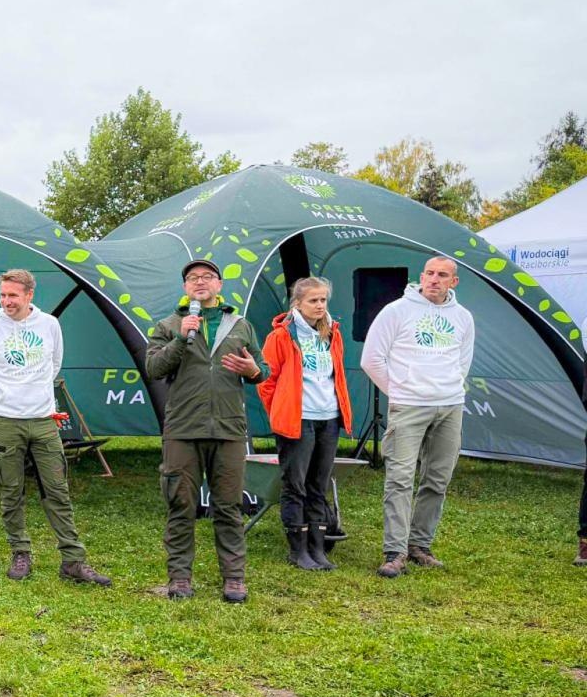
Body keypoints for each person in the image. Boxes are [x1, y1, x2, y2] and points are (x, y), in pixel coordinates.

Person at [0, 268, 108, 586]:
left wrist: (35, 396)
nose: (7, 301)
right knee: (11, 490)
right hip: (6, 422)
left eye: (13, 295)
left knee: (57, 491)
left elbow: (54, 364)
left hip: (45, 421)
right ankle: (20, 553)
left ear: (29, 295)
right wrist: (6, 399)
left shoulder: (49, 325)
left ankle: (73, 560)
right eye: (3, 295)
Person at [145, 258, 269, 603]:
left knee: (228, 506)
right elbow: (154, 367)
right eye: (193, 278)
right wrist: (181, 338)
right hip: (183, 428)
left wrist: (252, 370)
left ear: (219, 285)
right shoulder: (169, 325)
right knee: (180, 504)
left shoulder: (240, 325)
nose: (200, 282)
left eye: (207, 277)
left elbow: (263, 368)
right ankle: (180, 578)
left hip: (229, 429)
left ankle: (234, 578)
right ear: (186, 288)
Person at [361, 256, 475, 579]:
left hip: (450, 405)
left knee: (438, 478)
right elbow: (371, 359)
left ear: (454, 282)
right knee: (399, 477)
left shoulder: (463, 318)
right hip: (409, 405)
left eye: (442, 275)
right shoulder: (397, 311)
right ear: (421, 276)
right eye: (429, 273)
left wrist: (449, 390)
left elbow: (462, 361)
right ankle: (394, 552)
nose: (434, 279)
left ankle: (419, 546)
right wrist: (398, 391)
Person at [257, 277, 354, 572]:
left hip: (329, 418)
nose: (320, 306)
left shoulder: (332, 334)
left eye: (323, 300)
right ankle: (297, 550)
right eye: (313, 300)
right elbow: (266, 381)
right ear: (297, 303)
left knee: (319, 484)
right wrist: (281, 410)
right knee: (295, 485)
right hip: (299, 419)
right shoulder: (282, 336)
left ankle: (317, 548)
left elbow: (334, 376)